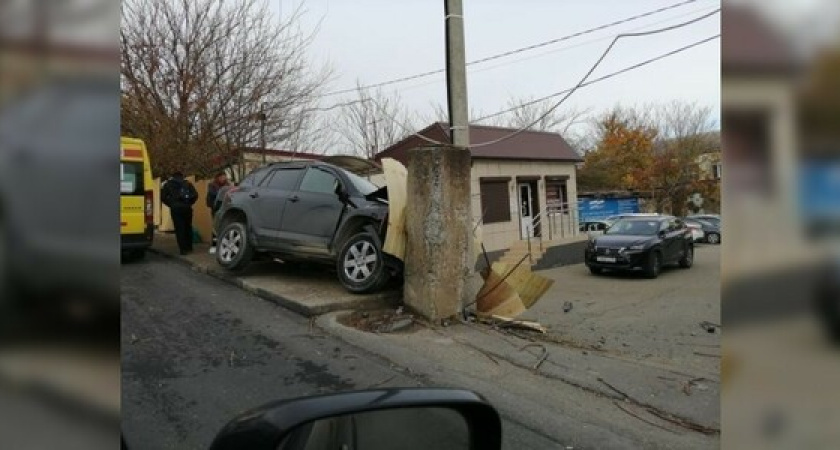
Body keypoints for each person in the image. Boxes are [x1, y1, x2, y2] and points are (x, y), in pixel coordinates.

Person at [162, 171, 199, 255]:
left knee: (179, 229)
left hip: (176, 209)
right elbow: (195, 195)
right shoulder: (187, 183)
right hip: (187, 208)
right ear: (182, 176)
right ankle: (189, 247)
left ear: (173, 176)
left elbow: (163, 197)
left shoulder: (168, 184)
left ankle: (183, 249)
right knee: (188, 227)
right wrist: (189, 203)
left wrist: (171, 204)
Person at [206, 172, 231, 254]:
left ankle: (224, 246)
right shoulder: (212, 185)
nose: (224, 178)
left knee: (225, 227)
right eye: (222, 177)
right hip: (216, 208)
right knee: (216, 228)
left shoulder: (228, 184)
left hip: (226, 208)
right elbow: (213, 194)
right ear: (218, 177)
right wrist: (223, 192)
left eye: (225, 177)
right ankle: (214, 245)